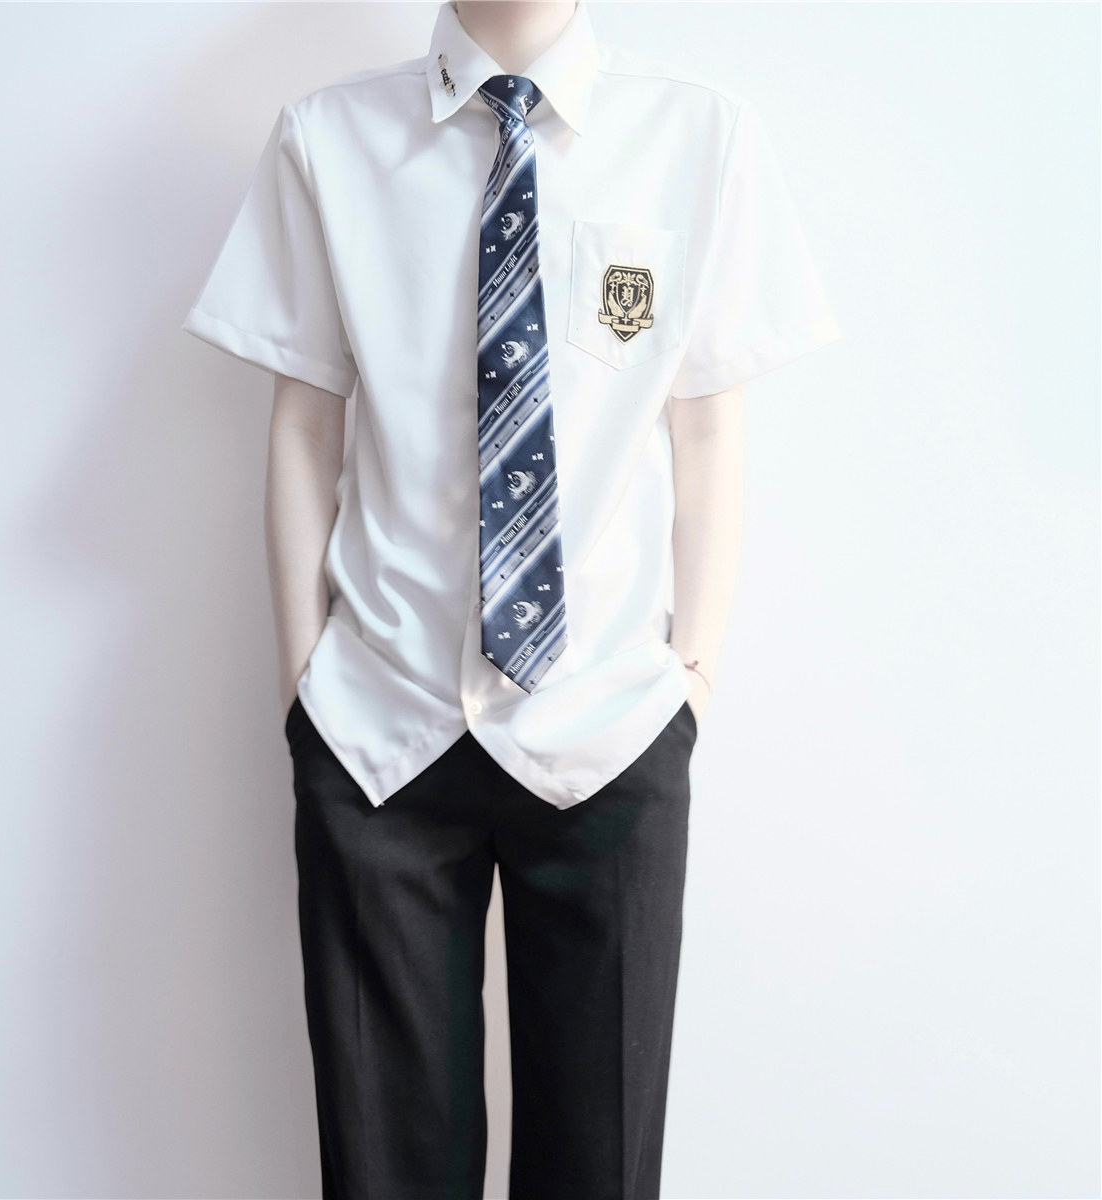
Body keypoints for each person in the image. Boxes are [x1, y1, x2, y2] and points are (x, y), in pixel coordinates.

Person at [181, 2, 839, 1196]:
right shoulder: (329, 140)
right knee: (385, 1169)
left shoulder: (700, 137)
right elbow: (305, 423)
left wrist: (693, 679)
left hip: (611, 724)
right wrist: (303, 684)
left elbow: (708, 430)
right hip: (378, 725)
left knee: (601, 1163)